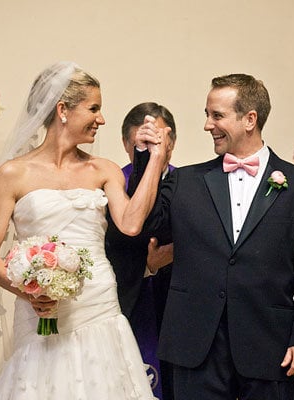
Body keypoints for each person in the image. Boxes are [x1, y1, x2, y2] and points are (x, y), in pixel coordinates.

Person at [0, 62, 168, 399]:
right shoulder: (13, 174)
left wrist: (156, 160)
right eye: (94, 108)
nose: (101, 119)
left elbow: (131, 224)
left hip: (99, 306)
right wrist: (31, 293)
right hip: (40, 311)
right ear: (62, 111)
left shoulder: (104, 169)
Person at [131, 73, 294, 400]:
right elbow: (148, 223)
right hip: (194, 346)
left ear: (250, 119)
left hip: (270, 346)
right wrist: (148, 158)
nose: (208, 125)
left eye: (217, 115)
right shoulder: (187, 182)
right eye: (207, 115)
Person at [105, 102, 177, 400]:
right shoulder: (112, 186)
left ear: (170, 142)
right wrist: (147, 265)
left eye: (158, 141)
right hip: (124, 301)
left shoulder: (190, 185)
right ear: (126, 143)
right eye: (142, 143)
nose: (152, 149)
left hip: (174, 310)